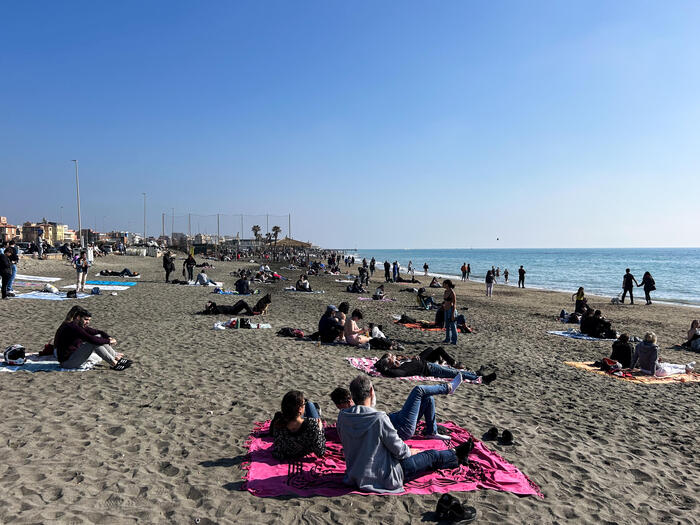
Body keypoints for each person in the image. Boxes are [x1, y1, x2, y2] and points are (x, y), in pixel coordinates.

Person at [336, 375, 474, 494]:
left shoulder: (342, 417)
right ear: (371, 391)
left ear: (353, 396)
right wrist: (411, 451)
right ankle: (456, 454)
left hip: (354, 474)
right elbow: (401, 452)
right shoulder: (378, 418)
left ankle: (453, 454)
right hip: (385, 477)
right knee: (431, 455)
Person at [330, 377, 461, 442]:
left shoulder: (352, 411)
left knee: (428, 398)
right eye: (346, 401)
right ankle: (448, 387)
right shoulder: (349, 416)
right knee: (419, 390)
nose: (350, 401)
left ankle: (431, 432)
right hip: (400, 427)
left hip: (395, 419)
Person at [54, 306, 131, 370]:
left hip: (74, 355)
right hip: (67, 362)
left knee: (98, 337)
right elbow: (91, 339)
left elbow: (98, 332)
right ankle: (114, 364)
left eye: (89, 320)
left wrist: (109, 337)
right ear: (78, 317)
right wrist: (108, 341)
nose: (87, 322)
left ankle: (116, 358)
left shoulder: (79, 325)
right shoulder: (72, 327)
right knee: (93, 342)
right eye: (86, 319)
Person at [270, 390, 325, 461]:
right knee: (309, 405)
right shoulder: (311, 424)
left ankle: (313, 409)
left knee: (307, 408)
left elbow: (278, 450)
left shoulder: (279, 424)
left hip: (292, 419)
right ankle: (316, 410)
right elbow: (321, 452)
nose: (304, 405)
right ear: (300, 409)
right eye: (303, 404)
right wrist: (320, 429)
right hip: (305, 425)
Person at [374, 352, 496, 383]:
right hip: (430, 369)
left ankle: (477, 375)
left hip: (429, 365)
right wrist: (383, 368)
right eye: (391, 358)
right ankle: (480, 378)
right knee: (455, 373)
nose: (394, 358)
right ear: (388, 364)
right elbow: (391, 373)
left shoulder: (400, 364)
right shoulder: (397, 370)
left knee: (454, 371)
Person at [631, 332, 695, 377]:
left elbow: (635, 358)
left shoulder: (638, 345)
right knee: (672, 370)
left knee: (667, 364)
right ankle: (685, 369)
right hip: (655, 371)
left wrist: (631, 368)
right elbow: (653, 362)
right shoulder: (654, 348)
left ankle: (685, 366)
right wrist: (653, 374)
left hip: (644, 368)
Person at [442, 279, 458, 345]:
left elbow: (454, 304)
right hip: (446, 310)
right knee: (447, 325)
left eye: (444, 284)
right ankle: (447, 338)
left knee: (453, 326)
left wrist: (452, 314)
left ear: (447, 284)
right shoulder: (445, 291)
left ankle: (454, 340)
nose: (443, 285)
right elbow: (445, 301)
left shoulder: (452, 293)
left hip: (451, 310)